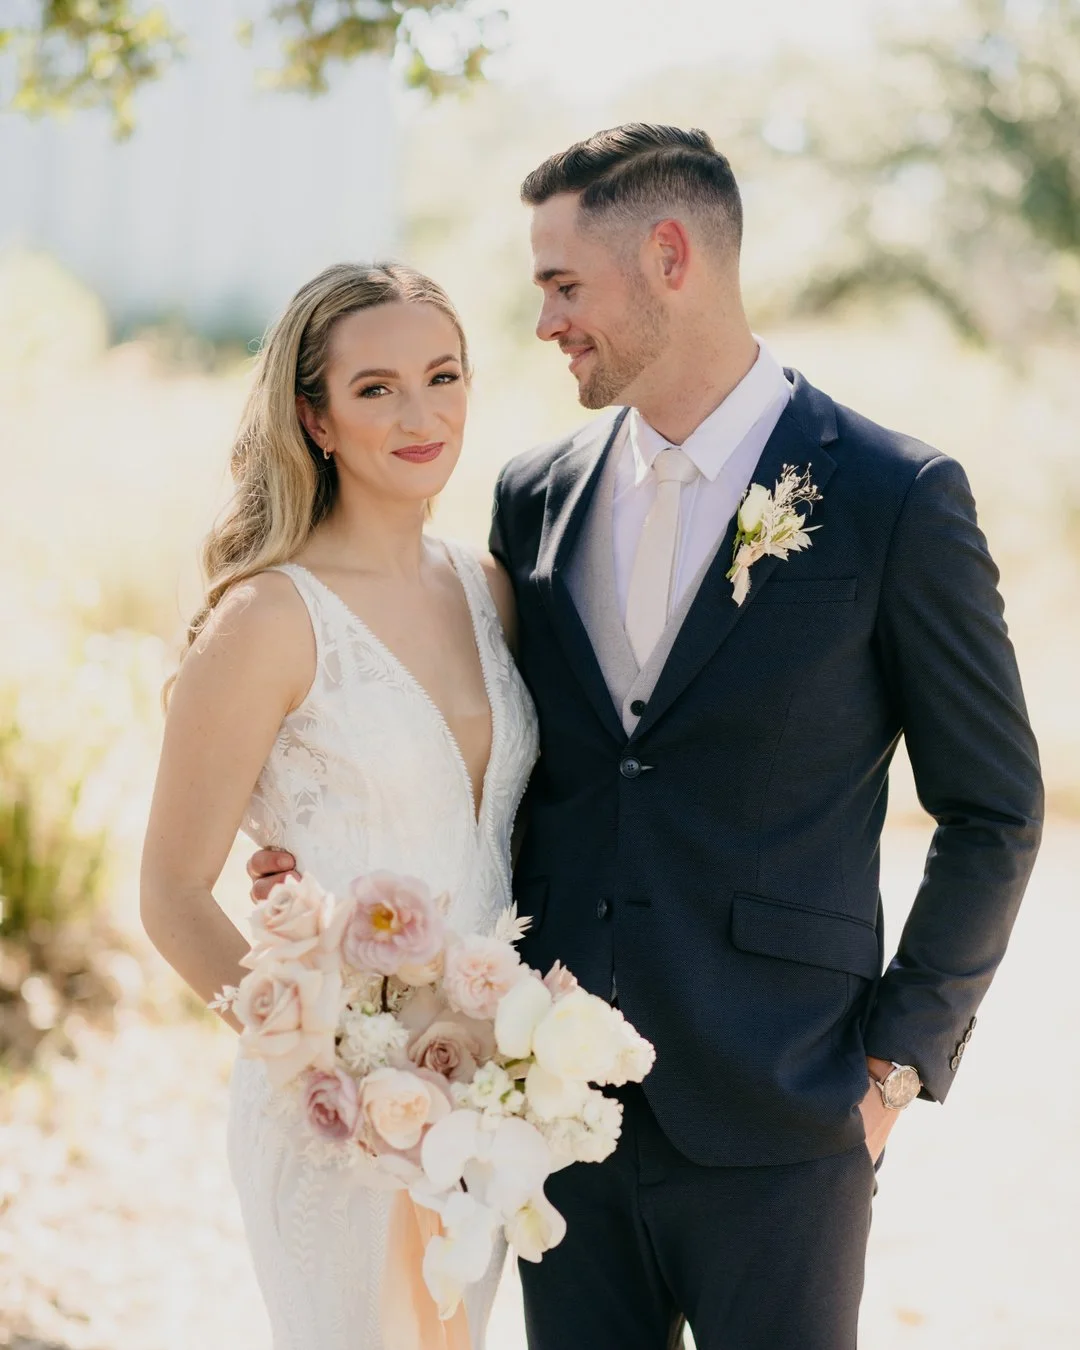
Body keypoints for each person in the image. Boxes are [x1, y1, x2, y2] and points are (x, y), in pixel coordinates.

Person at [249, 125, 1043, 1348]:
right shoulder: (532, 494)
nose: (547, 322)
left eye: (564, 285)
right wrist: (316, 857)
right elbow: (493, 759)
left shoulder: (895, 496)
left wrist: (893, 1068)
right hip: (552, 1111)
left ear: (669, 255)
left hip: (785, 1113)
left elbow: (994, 808)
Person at [140, 261, 539, 1350]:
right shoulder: (269, 617)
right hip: (338, 1117)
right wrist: (327, 1064)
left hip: (487, 1099)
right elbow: (172, 893)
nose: (422, 415)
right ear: (313, 416)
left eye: (443, 376)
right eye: (376, 389)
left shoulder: (489, 589)